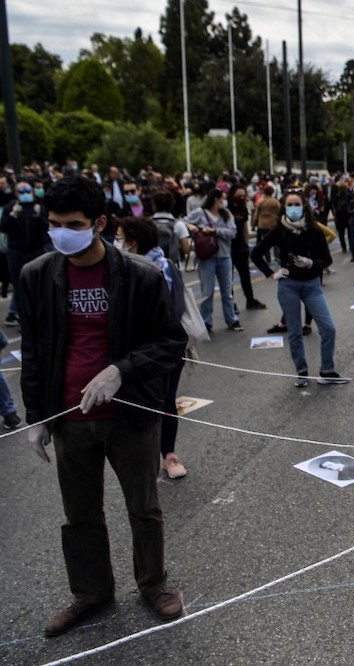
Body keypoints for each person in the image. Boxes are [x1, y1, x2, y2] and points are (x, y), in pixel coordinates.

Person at [20, 175, 188, 635]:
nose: (60, 233)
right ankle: (90, 593)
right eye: (53, 223)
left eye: (72, 223)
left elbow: (172, 342)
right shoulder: (37, 276)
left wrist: (121, 370)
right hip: (69, 417)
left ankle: (153, 584)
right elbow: (33, 353)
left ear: (100, 223)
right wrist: (36, 417)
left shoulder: (139, 275)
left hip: (130, 414)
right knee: (80, 513)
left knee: (144, 507)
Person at [251, 191, 349, 387]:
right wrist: (272, 274)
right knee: (294, 332)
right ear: (284, 207)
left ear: (303, 206)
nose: (293, 208)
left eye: (297, 204)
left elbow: (327, 259)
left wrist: (311, 263)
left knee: (328, 328)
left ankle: (327, 371)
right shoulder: (279, 230)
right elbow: (256, 253)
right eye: (290, 204)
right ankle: (302, 372)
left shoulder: (313, 229)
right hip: (288, 286)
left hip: (312, 284)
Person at [116, 216, 188, 479]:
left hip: (164, 349)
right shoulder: (116, 268)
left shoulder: (164, 267)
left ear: (133, 242)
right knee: (135, 403)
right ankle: (139, 456)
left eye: (120, 237)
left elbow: (176, 308)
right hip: (129, 352)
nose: (117, 242)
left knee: (166, 401)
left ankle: (168, 454)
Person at [186, 187, 242, 333]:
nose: (224, 201)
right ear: (216, 199)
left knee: (227, 292)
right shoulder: (200, 213)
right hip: (206, 257)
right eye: (222, 198)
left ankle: (232, 319)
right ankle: (206, 321)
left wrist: (215, 231)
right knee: (207, 292)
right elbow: (184, 222)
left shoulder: (226, 214)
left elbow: (233, 232)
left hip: (224, 256)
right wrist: (193, 227)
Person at [1, 178, 49, 325]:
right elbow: (3, 227)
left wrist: (38, 217)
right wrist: (13, 216)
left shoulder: (38, 207)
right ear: (16, 193)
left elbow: (48, 228)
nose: (25, 194)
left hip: (37, 251)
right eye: (22, 191)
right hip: (16, 253)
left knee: (40, 286)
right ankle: (24, 319)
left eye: (28, 191)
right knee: (19, 287)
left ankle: (41, 317)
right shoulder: (10, 208)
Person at [228, 185, 267, 311]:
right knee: (228, 278)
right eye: (239, 195)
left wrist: (246, 243)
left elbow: (245, 226)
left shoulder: (243, 209)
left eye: (243, 196)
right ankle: (230, 304)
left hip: (241, 247)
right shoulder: (226, 210)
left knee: (245, 276)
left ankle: (250, 300)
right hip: (228, 248)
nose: (241, 198)